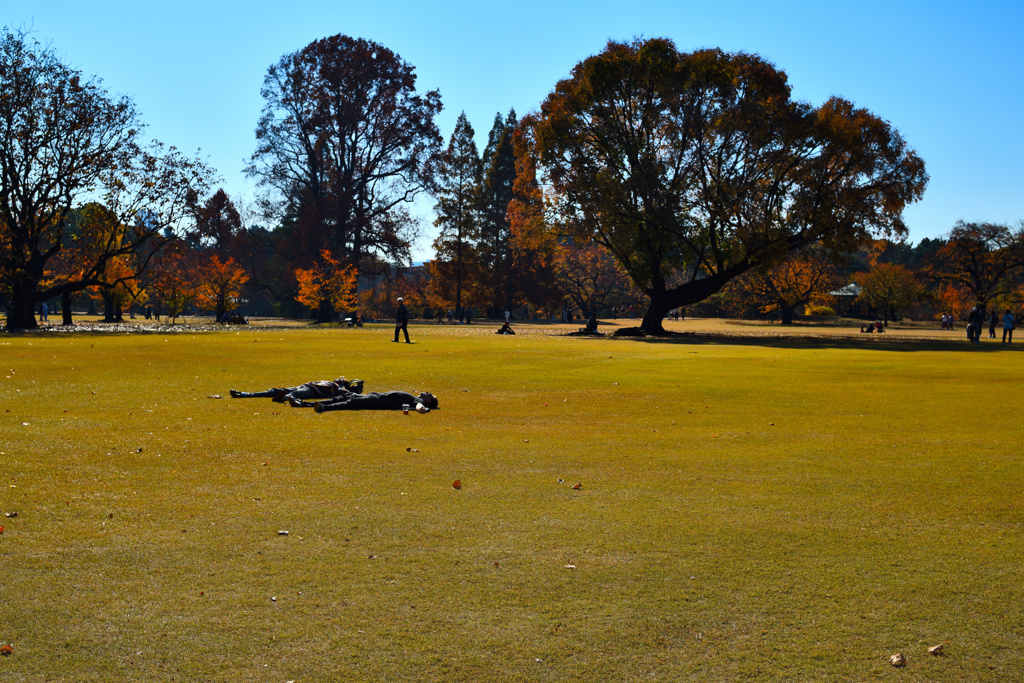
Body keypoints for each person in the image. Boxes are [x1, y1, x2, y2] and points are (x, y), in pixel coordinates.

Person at [230, 377, 364, 403]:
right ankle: (245, 394)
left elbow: (349, 394)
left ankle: (281, 398)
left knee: (293, 394)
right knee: (274, 390)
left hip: (311, 391)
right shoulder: (332, 384)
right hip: (306, 386)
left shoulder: (339, 389)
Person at [312, 390, 438, 413]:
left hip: (378, 401)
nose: (427, 392)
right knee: (345, 398)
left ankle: (324, 408)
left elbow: (419, 407)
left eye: (430, 395)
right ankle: (312, 404)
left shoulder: (419, 401)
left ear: (429, 401)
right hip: (377, 396)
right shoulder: (416, 398)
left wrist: (421, 408)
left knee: (352, 402)